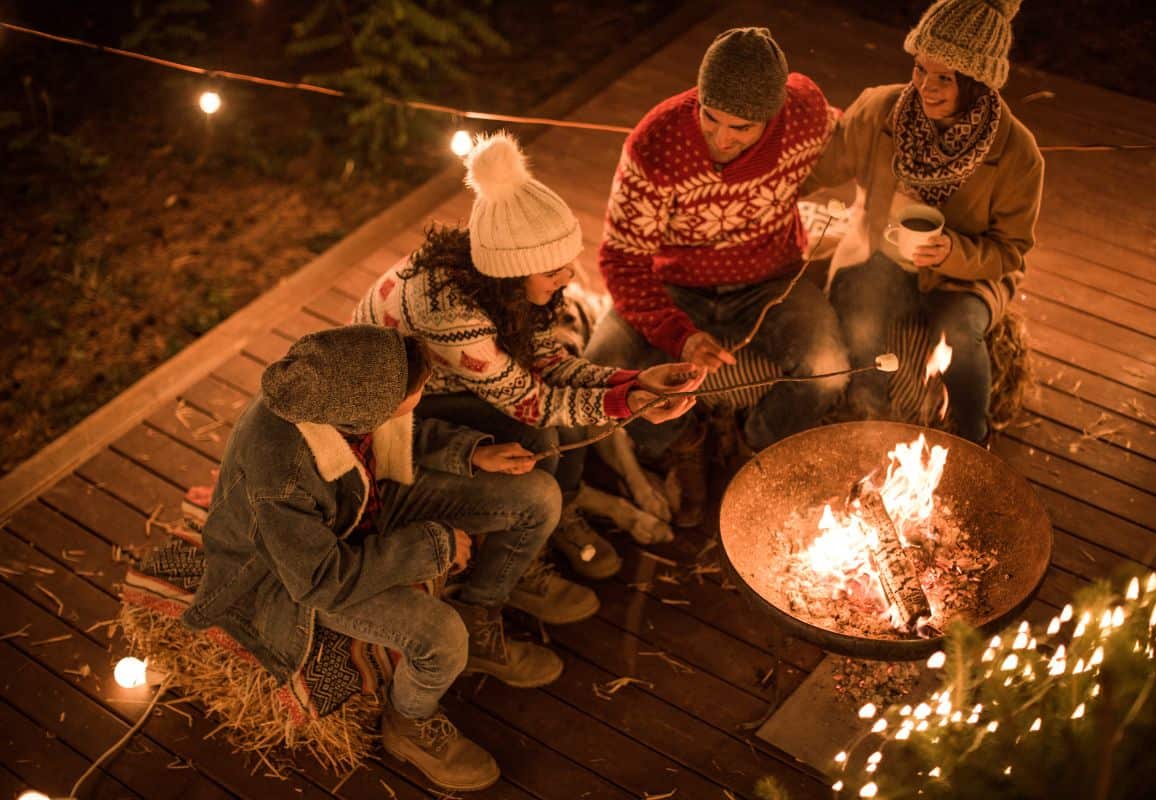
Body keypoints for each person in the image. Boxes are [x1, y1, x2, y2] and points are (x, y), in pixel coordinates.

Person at [182, 325, 569, 792]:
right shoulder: (279, 477)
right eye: (418, 390)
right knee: (442, 637)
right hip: (291, 575)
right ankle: (410, 722)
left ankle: (479, 613)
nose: (424, 395)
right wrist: (434, 546)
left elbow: (402, 427)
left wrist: (473, 453)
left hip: (358, 505)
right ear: (368, 408)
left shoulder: (338, 393)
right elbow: (318, 579)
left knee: (539, 497)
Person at [354, 131, 703, 582]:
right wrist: (629, 403)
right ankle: (525, 548)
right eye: (553, 270)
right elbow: (534, 403)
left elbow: (549, 363)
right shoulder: (450, 313)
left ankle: (563, 509)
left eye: (569, 262)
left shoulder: (501, 275)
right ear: (514, 270)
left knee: (550, 432)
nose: (568, 277)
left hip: (445, 382)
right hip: (392, 414)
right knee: (540, 433)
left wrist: (636, 382)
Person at [585, 27, 851, 526]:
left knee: (829, 366)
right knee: (601, 368)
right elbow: (622, 260)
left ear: (773, 116)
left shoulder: (806, 113)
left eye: (742, 128)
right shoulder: (657, 142)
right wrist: (679, 337)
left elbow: (860, 134)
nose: (722, 140)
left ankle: (755, 450)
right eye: (711, 118)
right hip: (675, 285)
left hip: (771, 282)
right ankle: (679, 443)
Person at [808, 0, 1044, 443]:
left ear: (977, 84)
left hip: (962, 276)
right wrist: (757, 181)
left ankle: (975, 437)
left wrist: (955, 253)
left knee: (960, 334)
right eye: (920, 69)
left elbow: (1010, 250)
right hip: (881, 252)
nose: (925, 88)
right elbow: (821, 167)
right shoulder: (881, 110)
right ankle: (869, 418)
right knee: (857, 307)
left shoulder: (1017, 153)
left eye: (945, 79)